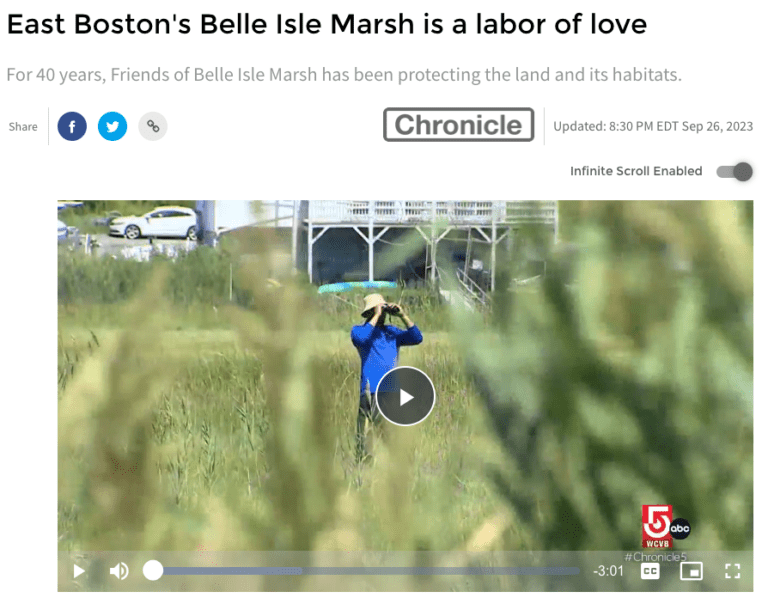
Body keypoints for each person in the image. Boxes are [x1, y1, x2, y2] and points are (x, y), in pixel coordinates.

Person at [351, 293, 423, 461]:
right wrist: (376, 314)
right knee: (365, 433)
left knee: (389, 434)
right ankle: (363, 467)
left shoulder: (392, 332)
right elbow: (360, 339)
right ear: (370, 312)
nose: (383, 314)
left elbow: (417, 338)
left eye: (384, 311)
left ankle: (398, 465)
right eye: (379, 310)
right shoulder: (359, 331)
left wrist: (402, 315)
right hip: (370, 390)